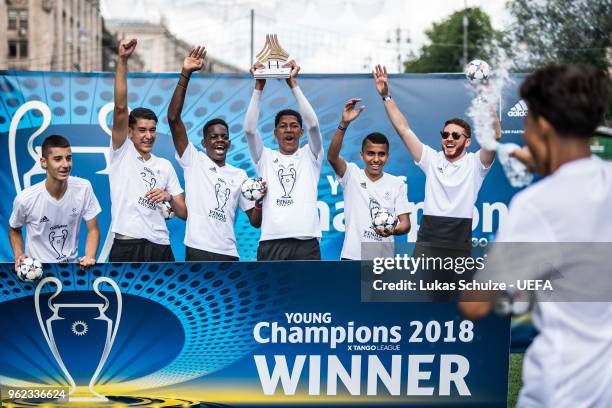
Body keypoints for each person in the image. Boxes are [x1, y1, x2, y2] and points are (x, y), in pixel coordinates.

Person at [460, 64, 612, 406]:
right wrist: (549, 164)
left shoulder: (536, 205)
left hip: (557, 392)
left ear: (542, 126)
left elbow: (475, 305)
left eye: (527, 124)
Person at [373, 64, 500, 247]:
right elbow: (403, 130)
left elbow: (494, 135)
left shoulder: (476, 164)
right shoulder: (432, 159)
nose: (449, 138)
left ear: (468, 142)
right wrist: (386, 96)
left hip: (458, 245)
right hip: (427, 243)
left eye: (456, 136)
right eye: (445, 134)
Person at [167, 46, 263, 261]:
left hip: (229, 254)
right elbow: (173, 119)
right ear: (204, 142)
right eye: (214, 136)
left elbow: (255, 222)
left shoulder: (240, 176)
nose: (220, 139)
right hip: (197, 250)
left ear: (228, 142)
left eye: (224, 136)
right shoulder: (194, 160)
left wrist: (259, 200)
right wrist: (186, 74)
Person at [109, 38, 187, 262]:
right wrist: (123, 60)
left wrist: (169, 196)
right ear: (130, 132)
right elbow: (121, 107)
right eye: (142, 130)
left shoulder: (164, 166)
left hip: (160, 246)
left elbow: (183, 212)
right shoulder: (121, 152)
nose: (148, 135)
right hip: (126, 244)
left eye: (152, 130)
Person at [244, 60, 323, 260]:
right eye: (283, 126)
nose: (289, 129)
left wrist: (292, 84)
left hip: (306, 242)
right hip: (271, 242)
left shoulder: (311, 155)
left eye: (294, 125)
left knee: (310, 293)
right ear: (275, 133)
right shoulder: (265, 157)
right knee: (269, 293)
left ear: (301, 132)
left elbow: (313, 124)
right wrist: (258, 87)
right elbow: (249, 130)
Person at [327, 98, 411, 260]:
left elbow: (406, 224)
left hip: (382, 261)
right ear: (362, 155)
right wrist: (343, 124)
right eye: (371, 153)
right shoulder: (351, 174)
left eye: (381, 154)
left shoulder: (397, 183)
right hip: (351, 257)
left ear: (387, 156)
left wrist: (392, 230)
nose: (376, 159)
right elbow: (332, 157)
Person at [8, 135, 101, 270]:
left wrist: (89, 257)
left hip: (71, 270)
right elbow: (14, 229)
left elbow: (93, 229)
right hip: (37, 271)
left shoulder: (84, 188)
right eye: (57, 159)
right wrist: (19, 255)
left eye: (68, 158)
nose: (65, 165)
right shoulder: (25, 199)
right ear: (44, 162)